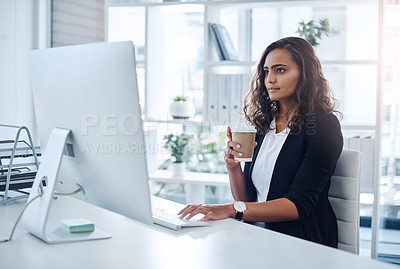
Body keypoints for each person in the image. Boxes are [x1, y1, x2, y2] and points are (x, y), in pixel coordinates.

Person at [178, 36, 343, 248]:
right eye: (266, 71)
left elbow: (298, 205)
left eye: (280, 70)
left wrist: (230, 209)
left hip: (300, 244)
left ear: (305, 75)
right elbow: (247, 200)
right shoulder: (264, 126)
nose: (270, 79)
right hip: (258, 237)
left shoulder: (323, 125)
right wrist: (233, 168)